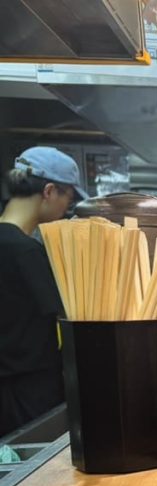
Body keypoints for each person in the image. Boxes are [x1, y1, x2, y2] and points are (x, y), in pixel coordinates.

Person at [0, 146, 86, 436]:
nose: (67, 208)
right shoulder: (26, 252)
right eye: (68, 198)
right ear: (49, 191)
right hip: (30, 395)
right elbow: (65, 316)